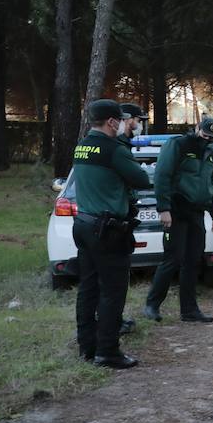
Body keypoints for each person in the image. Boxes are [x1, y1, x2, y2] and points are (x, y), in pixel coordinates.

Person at [72, 99, 151, 369]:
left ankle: (87, 347)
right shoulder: (113, 149)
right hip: (107, 229)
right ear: (112, 122)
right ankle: (108, 352)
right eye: (120, 120)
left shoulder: (82, 146)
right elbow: (141, 179)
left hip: (83, 224)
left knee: (88, 289)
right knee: (113, 292)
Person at [144, 116, 213, 323]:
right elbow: (162, 175)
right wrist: (163, 208)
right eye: (204, 134)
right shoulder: (178, 145)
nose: (207, 139)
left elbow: (212, 184)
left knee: (193, 261)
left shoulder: (210, 153)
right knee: (173, 259)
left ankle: (189, 310)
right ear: (197, 128)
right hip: (176, 211)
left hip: (196, 213)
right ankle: (152, 305)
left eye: (211, 137)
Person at [115, 102, 150, 336]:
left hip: (116, 218)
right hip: (114, 221)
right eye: (137, 120)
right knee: (113, 281)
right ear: (128, 120)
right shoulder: (117, 148)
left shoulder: (120, 146)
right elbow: (141, 179)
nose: (139, 125)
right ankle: (112, 325)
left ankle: (114, 321)